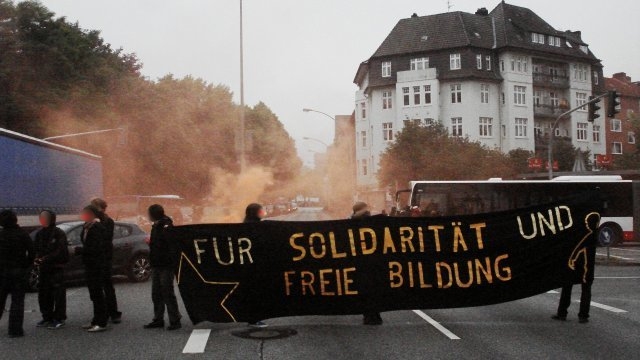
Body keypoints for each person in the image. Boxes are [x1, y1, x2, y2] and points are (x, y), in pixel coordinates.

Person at [144, 204, 182, 331]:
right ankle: (158, 319)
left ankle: (175, 320)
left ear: (154, 214)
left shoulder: (166, 226)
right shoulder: (157, 225)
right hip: (156, 264)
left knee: (167, 292)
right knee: (156, 293)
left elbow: (171, 246)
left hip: (165, 265)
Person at [0, 210, 35, 337]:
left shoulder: (1, 234)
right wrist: (26, 265)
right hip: (18, 271)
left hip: (2, 271)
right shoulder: (22, 234)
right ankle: (15, 330)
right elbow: (32, 253)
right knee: (17, 301)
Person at [34, 210, 69, 330]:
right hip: (44, 269)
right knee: (44, 293)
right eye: (41, 217)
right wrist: (37, 258)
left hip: (56, 268)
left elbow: (61, 250)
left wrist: (46, 258)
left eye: (45, 217)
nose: (42, 219)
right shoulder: (39, 234)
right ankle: (47, 316)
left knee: (58, 294)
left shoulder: (58, 233)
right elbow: (36, 249)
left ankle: (59, 318)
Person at [90, 198, 122, 324]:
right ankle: (100, 313)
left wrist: (97, 224)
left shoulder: (108, 221)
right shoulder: (90, 221)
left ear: (101, 208)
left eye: (94, 206)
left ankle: (113, 313)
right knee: (96, 288)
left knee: (107, 285)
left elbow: (106, 238)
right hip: (95, 258)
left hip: (105, 258)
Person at [351, 202, 383, 326]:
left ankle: (370, 316)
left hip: (363, 262)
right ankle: (373, 316)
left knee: (366, 290)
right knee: (372, 290)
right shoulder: (369, 222)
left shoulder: (351, 222)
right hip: (370, 262)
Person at [78, 206, 109, 333]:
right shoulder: (86, 227)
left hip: (97, 265)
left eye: (86, 213)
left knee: (97, 293)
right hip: (89, 264)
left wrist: (80, 250)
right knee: (93, 294)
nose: (83, 215)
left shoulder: (98, 228)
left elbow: (96, 248)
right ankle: (95, 320)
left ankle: (102, 322)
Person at [552, 235, 596, 324]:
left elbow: (579, 246)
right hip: (588, 263)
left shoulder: (580, 232)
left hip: (575, 263)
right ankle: (583, 315)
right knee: (586, 288)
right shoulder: (591, 233)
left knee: (567, 286)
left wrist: (571, 258)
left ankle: (562, 313)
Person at [243, 203, 268, 328]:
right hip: (253, 266)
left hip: (253, 265)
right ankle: (253, 319)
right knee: (255, 292)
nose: (263, 212)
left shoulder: (249, 225)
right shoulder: (253, 227)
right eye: (261, 210)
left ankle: (254, 318)